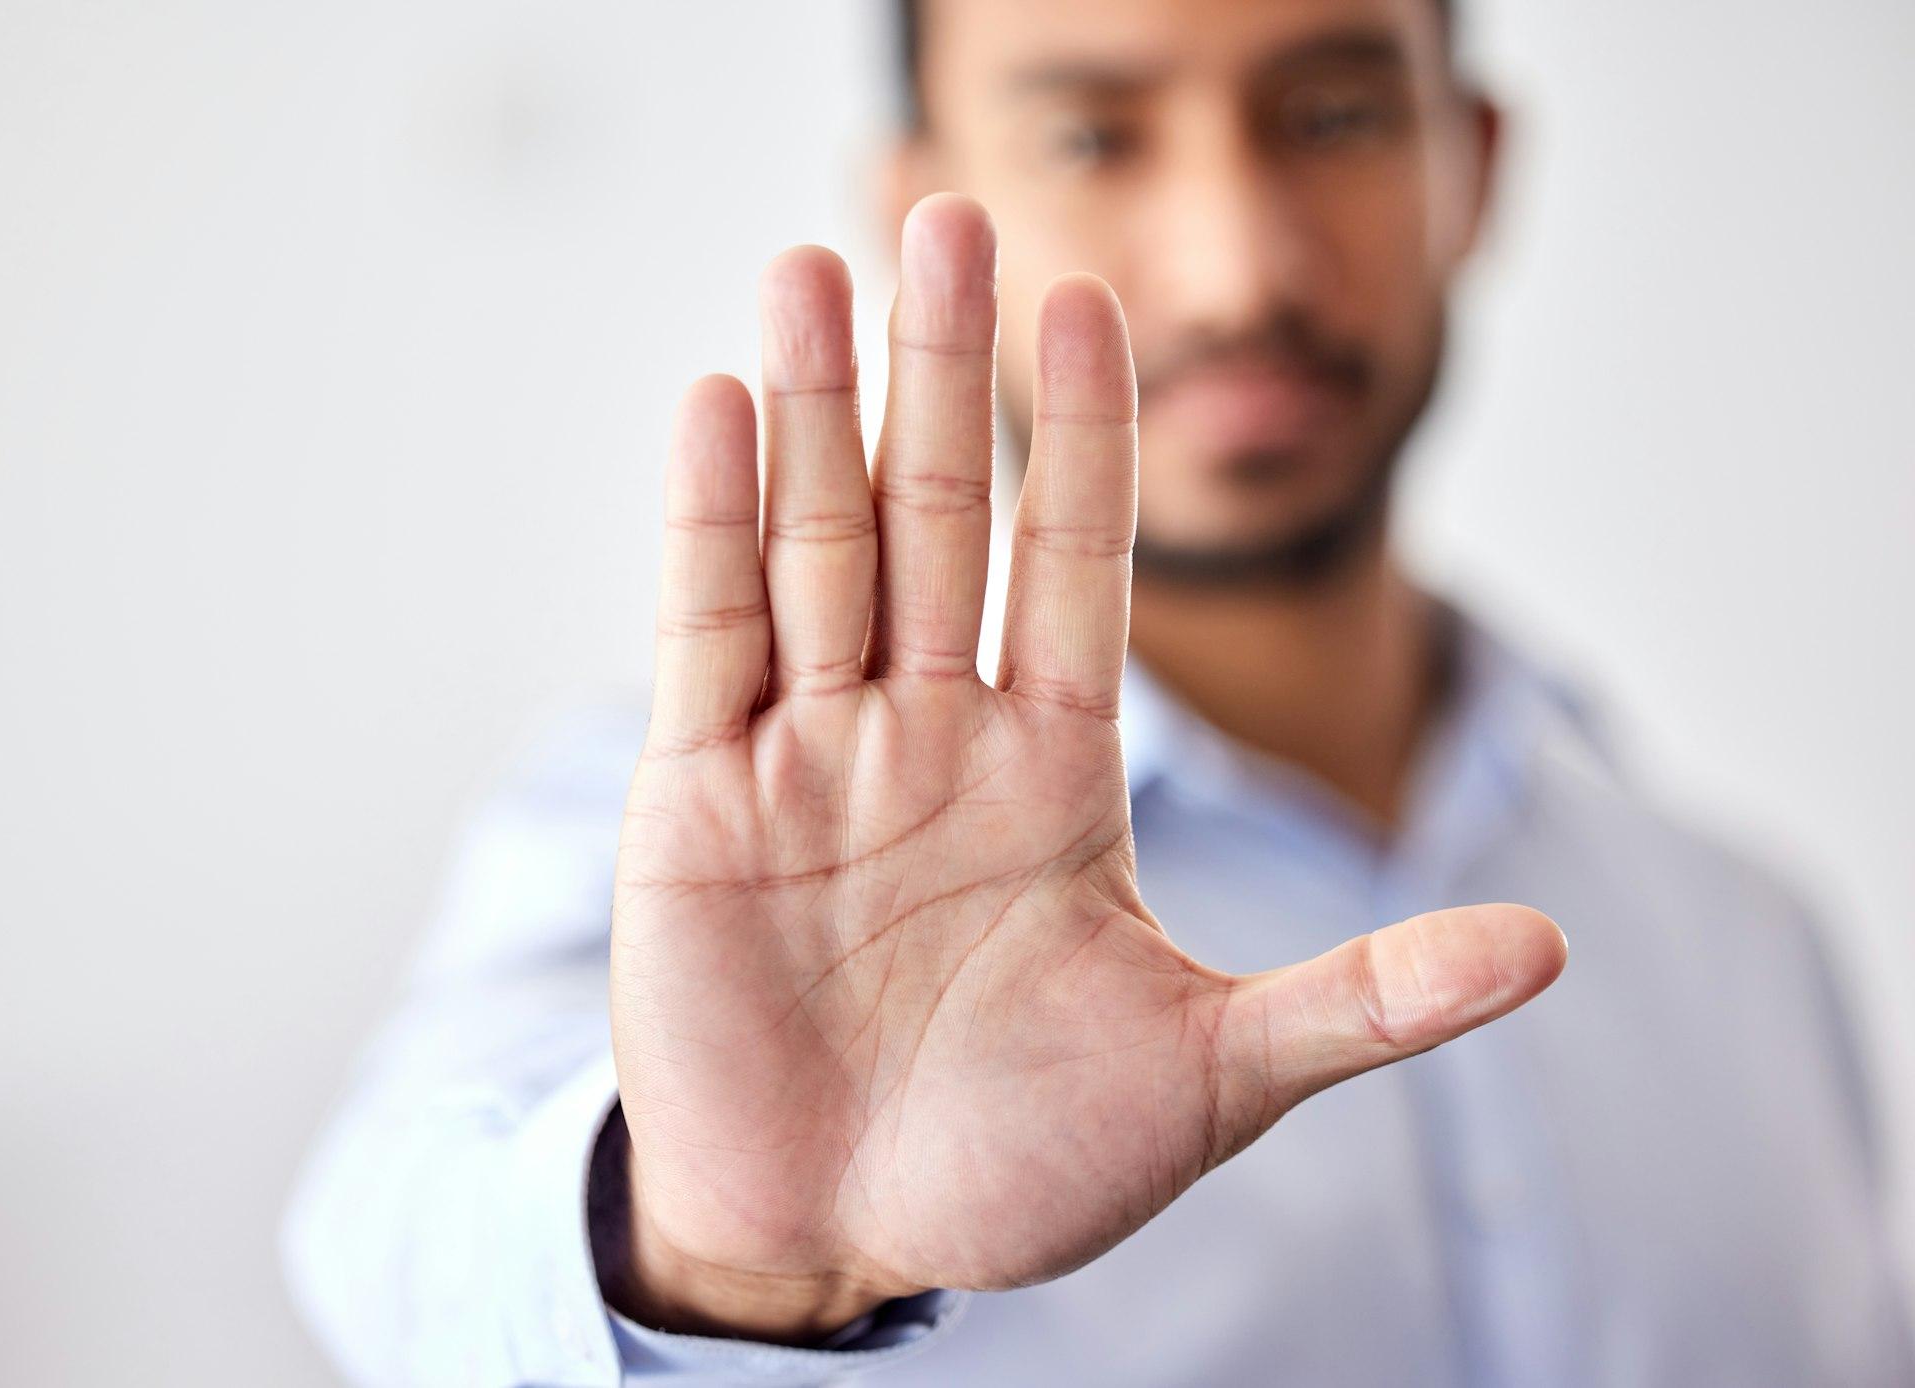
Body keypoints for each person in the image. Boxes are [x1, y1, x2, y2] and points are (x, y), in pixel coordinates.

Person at [282, 1, 1913, 1383]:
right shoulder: (696, 853)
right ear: (924, 195)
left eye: (1335, 114)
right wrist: (725, 1262)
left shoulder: (1746, 939)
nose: (1236, 266)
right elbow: (387, 1237)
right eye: (1093, 136)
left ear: (1471, 171)